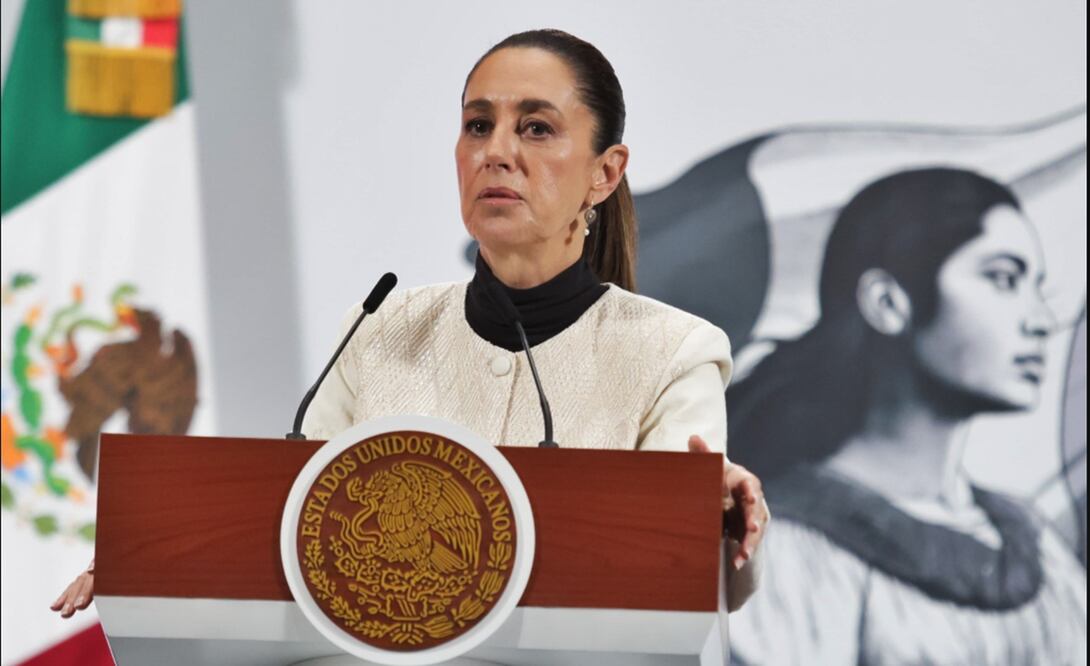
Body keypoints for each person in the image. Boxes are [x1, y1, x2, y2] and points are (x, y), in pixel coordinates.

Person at [52, 29, 768, 620]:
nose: (497, 151)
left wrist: (711, 515)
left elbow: (681, 566)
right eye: (478, 125)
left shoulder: (673, 353)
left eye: (536, 128)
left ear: (604, 174)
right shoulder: (379, 330)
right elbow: (289, 524)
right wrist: (158, 559)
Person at [727, 168, 1087, 665]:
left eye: (1036, 287)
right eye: (1004, 279)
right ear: (888, 303)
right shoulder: (787, 548)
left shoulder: (1037, 544)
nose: (1042, 321)